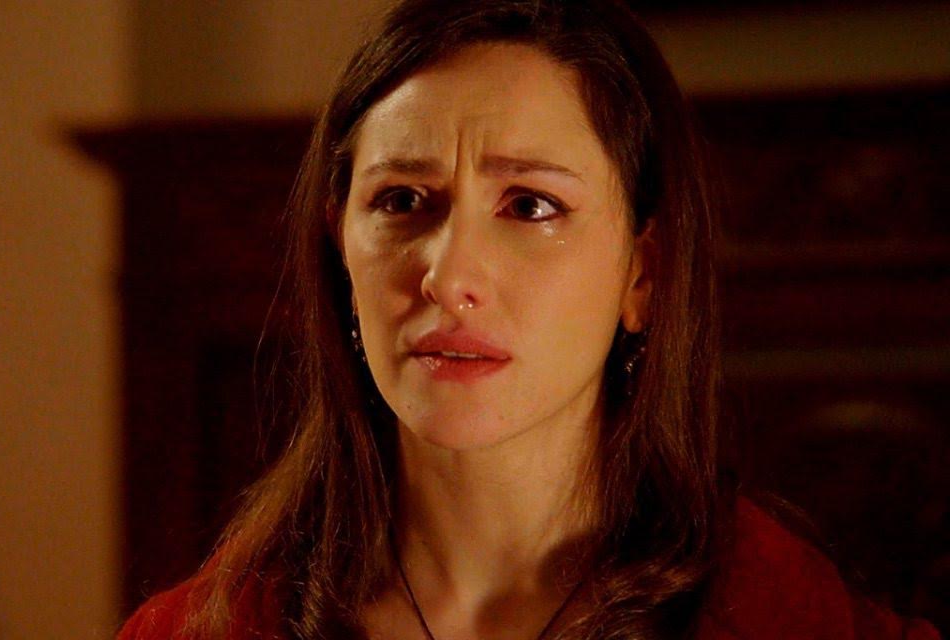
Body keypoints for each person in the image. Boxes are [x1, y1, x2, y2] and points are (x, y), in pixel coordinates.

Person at [119, 0, 942, 638]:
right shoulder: (201, 628)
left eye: (530, 205)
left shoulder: (781, 617)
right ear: (340, 253)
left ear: (644, 274)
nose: (448, 278)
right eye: (401, 201)